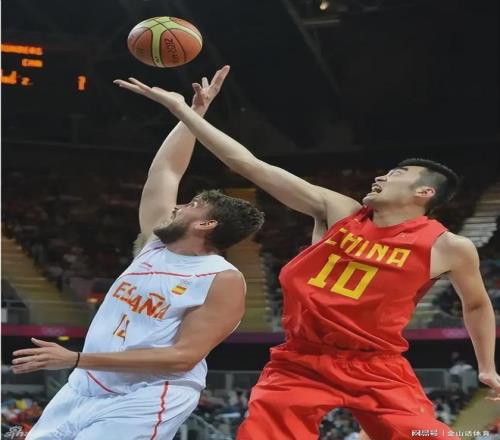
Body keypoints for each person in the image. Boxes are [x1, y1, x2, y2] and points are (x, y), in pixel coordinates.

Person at [110, 74, 500, 440]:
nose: (381, 177)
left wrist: (486, 367)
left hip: (377, 365)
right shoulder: (340, 211)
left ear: (424, 193)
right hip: (301, 359)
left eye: (397, 173)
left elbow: (477, 305)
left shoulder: (447, 246)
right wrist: (185, 112)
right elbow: (249, 165)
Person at [11, 66, 265, 440]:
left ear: (206, 224)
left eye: (192, 204)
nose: (178, 205)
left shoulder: (221, 279)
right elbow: (166, 171)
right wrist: (191, 113)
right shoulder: (155, 243)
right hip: (85, 385)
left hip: (147, 395)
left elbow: (182, 357)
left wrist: (75, 358)